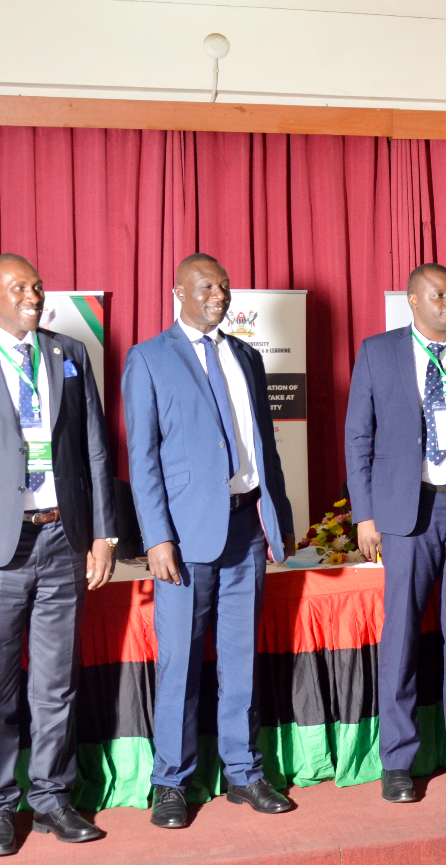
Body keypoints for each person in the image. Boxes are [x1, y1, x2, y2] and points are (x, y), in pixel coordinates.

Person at [0, 254, 117, 856]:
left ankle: (54, 797)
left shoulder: (69, 354)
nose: (32, 294)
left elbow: (96, 449)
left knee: (55, 683)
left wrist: (105, 533)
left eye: (36, 285)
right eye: (18, 287)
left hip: (64, 537)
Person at [123, 253, 295, 825]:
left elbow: (264, 447)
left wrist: (279, 516)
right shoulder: (148, 359)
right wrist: (156, 539)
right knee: (181, 663)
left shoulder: (245, 355)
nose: (218, 294)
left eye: (223, 285)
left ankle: (244, 771)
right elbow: (142, 459)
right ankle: (170, 781)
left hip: (247, 527)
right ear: (178, 292)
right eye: (205, 286)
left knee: (240, 657)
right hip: (185, 538)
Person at [345, 263, 446, 803]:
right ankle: (397, 760)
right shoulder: (378, 351)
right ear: (413, 301)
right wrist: (365, 515)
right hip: (409, 513)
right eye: (439, 295)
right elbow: (358, 437)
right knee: (402, 637)